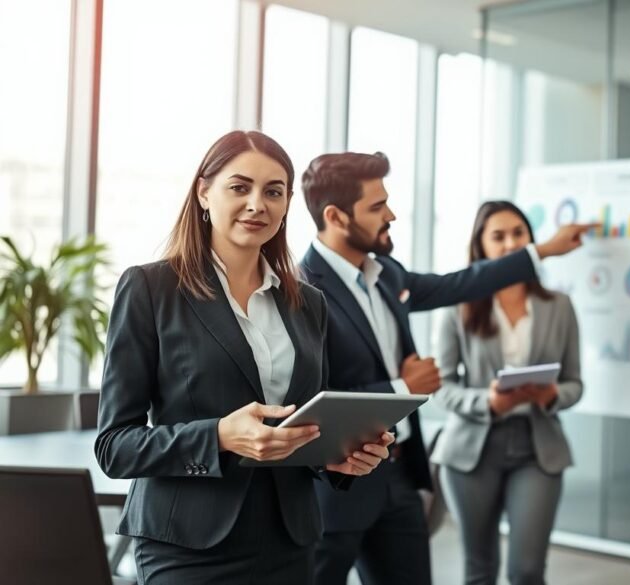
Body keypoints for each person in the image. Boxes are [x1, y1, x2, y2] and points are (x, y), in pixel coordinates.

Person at [94, 130, 393, 585]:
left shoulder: (308, 303)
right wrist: (218, 436)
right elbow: (115, 446)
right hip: (186, 546)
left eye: (274, 192)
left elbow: (304, 423)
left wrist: (337, 456)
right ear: (203, 193)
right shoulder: (150, 289)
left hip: (288, 541)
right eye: (240, 187)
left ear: (288, 203)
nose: (258, 204)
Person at [297, 152, 594, 585]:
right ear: (336, 217)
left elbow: (462, 283)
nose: (391, 215)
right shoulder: (301, 289)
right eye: (377, 207)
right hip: (340, 489)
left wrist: (543, 249)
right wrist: (402, 387)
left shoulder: (388, 274)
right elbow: (312, 401)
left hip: (399, 477)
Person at [432, 200, 583, 585]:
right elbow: (441, 386)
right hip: (472, 450)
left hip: (538, 448)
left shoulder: (559, 306)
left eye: (519, 233)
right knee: (479, 570)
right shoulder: (458, 306)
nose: (511, 243)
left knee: (527, 571)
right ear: (480, 246)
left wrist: (550, 396)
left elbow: (575, 383)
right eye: (498, 236)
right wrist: (488, 401)